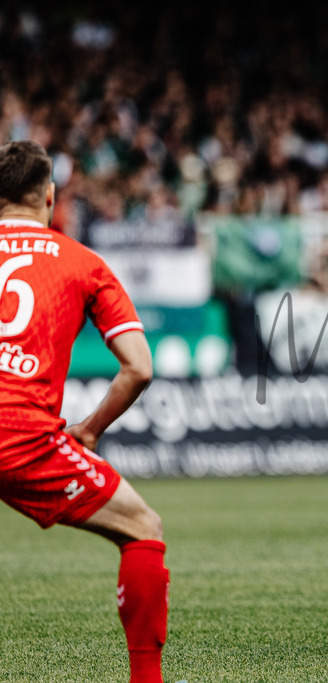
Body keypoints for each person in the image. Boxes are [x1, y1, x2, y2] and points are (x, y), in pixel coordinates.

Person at [0, 140, 168, 682]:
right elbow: (139, 368)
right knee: (143, 528)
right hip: (22, 437)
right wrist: (90, 429)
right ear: (49, 196)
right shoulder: (83, 263)